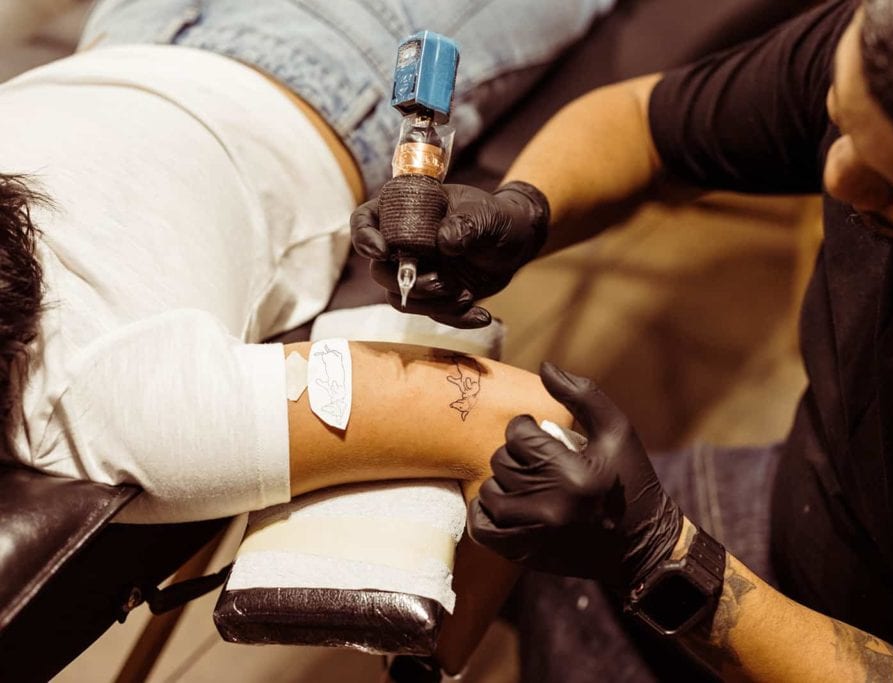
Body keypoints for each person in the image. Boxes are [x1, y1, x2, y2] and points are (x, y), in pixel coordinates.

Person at [351, 0, 893, 680]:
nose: (837, 177)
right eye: (839, 119)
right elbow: (646, 125)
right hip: (803, 509)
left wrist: (665, 557)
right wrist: (525, 210)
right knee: (533, 557)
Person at [0, 0, 614, 674]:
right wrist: (438, 646)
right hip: (332, 53)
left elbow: (526, 428)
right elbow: (523, 425)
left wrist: (439, 649)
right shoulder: (110, 396)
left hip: (128, 38)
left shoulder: (112, 401)